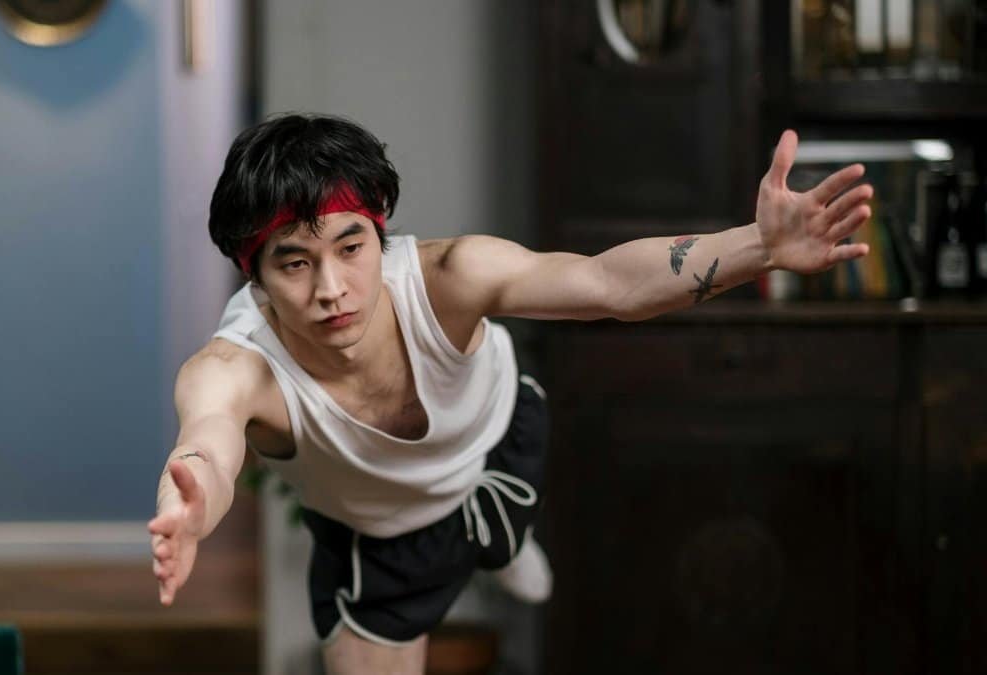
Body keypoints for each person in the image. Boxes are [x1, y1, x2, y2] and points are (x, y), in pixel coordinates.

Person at [147, 113, 874, 674]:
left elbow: (608, 284)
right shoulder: (238, 363)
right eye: (296, 262)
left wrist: (761, 246)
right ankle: (496, 542)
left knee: (501, 516)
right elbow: (207, 438)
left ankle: (502, 537)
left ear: (380, 233)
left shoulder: (451, 275)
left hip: (498, 443)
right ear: (256, 276)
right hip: (381, 532)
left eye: (350, 246)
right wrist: (192, 504)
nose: (332, 288)